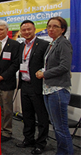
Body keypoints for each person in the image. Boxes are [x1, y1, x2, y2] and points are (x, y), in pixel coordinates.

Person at [36, 17, 74, 155]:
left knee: (60, 127)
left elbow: (64, 66)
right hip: (49, 89)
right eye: (49, 26)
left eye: (55, 26)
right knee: (57, 126)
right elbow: (51, 65)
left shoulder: (63, 43)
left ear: (62, 29)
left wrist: (44, 74)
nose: (50, 29)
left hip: (58, 89)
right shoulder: (53, 43)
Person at [16, 20, 49, 154]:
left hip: (38, 86)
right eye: (24, 30)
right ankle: (28, 139)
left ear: (34, 29)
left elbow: (47, 65)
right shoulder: (20, 46)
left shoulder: (43, 44)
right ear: (21, 31)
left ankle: (40, 143)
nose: (26, 32)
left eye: (29, 29)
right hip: (24, 85)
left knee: (41, 117)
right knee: (27, 116)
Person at [0, 20, 20, 142]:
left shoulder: (14, 45)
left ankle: (7, 131)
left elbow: (15, 64)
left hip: (6, 82)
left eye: (1, 29)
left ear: (7, 30)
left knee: (7, 109)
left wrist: (2, 76)